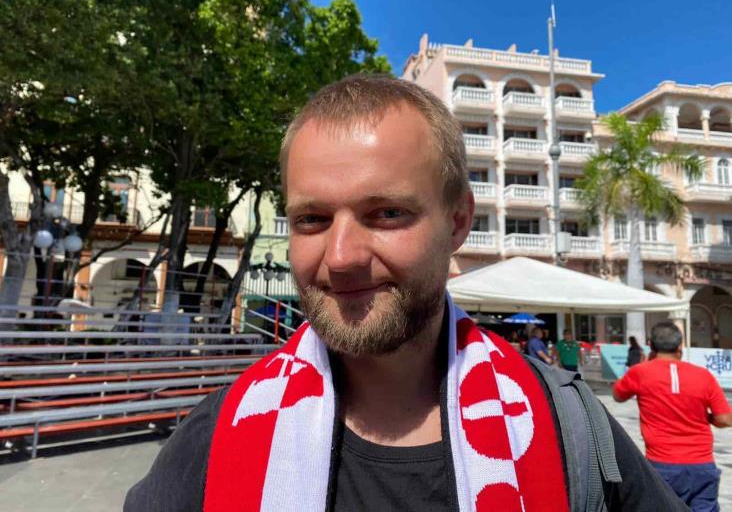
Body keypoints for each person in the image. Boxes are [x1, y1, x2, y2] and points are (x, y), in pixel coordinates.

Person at [126, 74, 686, 511]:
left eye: (387, 213)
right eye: (312, 219)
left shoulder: (567, 427)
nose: (341, 257)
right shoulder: (221, 435)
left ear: (459, 221)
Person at [614, 321, 732, 511]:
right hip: (702, 464)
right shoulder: (703, 375)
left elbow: (618, 395)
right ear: (680, 346)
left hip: (662, 464)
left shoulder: (641, 372)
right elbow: (725, 419)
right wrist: (706, 418)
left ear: (651, 345)